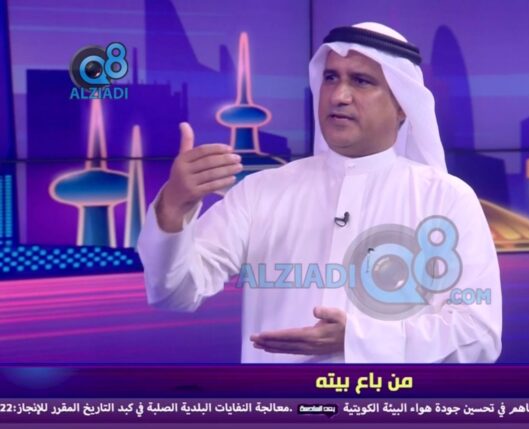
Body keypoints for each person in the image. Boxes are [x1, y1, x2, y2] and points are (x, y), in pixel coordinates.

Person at [137, 22, 502, 363]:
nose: (339, 96)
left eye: (361, 81)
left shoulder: (446, 199)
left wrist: (358, 339)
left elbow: (479, 335)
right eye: (330, 78)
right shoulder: (262, 191)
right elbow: (175, 293)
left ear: (403, 106)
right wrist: (174, 206)